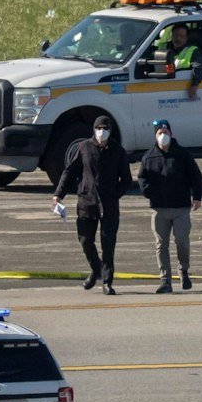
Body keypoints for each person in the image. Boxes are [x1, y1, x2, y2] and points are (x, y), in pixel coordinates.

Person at [53, 113, 132, 295]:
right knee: (85, 240)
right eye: (98, 128)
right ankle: (96, 269)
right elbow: (69, 172)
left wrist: (114, 195)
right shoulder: (84, 148)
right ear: (93, 130)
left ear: (110, 131)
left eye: (105, 129)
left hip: (109, 205)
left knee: (108, 244)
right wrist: (58, 194)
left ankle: (107, 281)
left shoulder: (118, 151)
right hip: (86, 203)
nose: (101, 132)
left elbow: (126, 179)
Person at [138, 117, 202, 293]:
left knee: (182, 241)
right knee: (161, 245)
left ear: (171, 133)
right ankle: (165, 280)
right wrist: (148, 192)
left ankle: (184, 270)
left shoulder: (182, 155)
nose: (163, 135)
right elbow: (142, 177)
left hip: (181, 208)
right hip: (159, 208)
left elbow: (195, 176)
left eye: (165, 132)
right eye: (160, 133)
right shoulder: (149, 156)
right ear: (155, 136)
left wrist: (197, 196)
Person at [154, 23, 202, 100]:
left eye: (182, 36)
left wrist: (194, 86)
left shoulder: (194, 51)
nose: (178, 38)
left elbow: (200, 66)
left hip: (180, 89)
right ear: (172, 36)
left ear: (187, 38)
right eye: (175, 35)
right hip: (162, 87)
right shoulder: (163, 47)